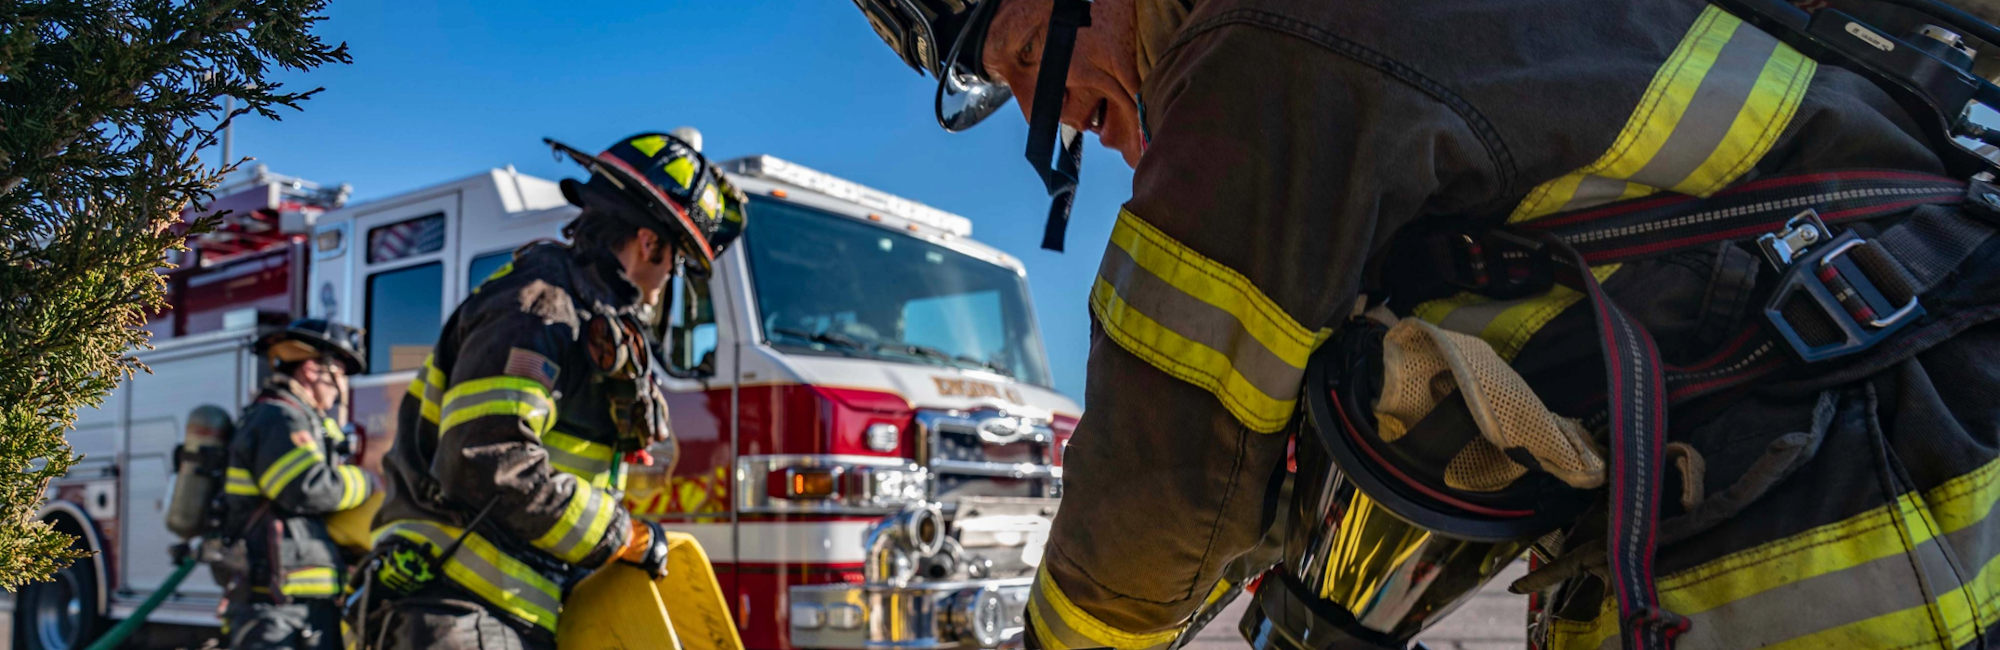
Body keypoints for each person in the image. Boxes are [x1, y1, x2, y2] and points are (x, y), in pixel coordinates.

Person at [849, 0, 2000, 648]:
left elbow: (1158, 490)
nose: (1058, 122)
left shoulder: (1252, 57)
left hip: (1850, 529)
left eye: (1022, 60)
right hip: (1898, 413)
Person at [353, 131, 746, 650]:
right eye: (676, 260)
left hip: (501, 613)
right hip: (459, 606)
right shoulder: (539, 309)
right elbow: (488, 459)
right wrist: (622, 536)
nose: (668, 276)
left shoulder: (583, 314)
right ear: (650, 242)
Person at [219, 319, 377, 650]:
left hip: (299, 601)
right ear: (310, 369)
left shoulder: (298, 418)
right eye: (339, 373)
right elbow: (306, 488)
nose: (341, 387)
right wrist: (363, 482)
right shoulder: (280, 418)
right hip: (279, 603)